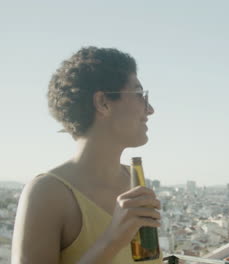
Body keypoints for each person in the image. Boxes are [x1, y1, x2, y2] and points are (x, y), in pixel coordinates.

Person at [12, 47, 162, 264]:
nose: (150, 109)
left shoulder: (133, 181)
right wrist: (112, 239)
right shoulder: (47, 193)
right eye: (140, 95)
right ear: (103, 103)